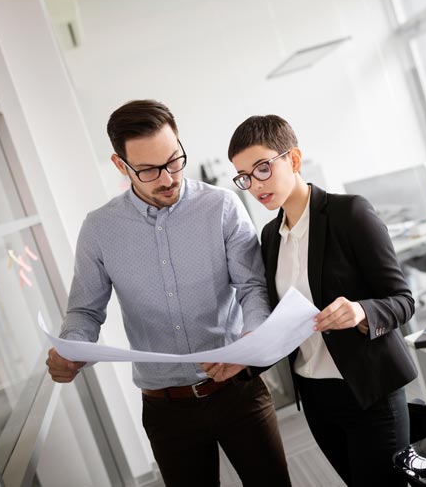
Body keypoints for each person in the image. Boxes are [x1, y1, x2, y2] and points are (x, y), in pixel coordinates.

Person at [45, 100, 291, 487]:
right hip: (166, 409)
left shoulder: (222, 206)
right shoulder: (99, 230)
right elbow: (84, 312)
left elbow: (252, 287)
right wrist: (72, 348)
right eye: (147, 170)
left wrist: (251, 340)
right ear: (120, 166)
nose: (167, 178)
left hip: (237, 392)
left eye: (174, 160)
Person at [227, 115, 416, 487]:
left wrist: (361, 310)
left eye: (262, 168)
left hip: (368, 390)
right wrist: (241, 360)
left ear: (293, 160)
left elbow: (403, 300)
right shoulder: (269, 238)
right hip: (316, 397)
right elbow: (281, 324)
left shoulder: (350, 214)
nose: (254, 185)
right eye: (244, 176)